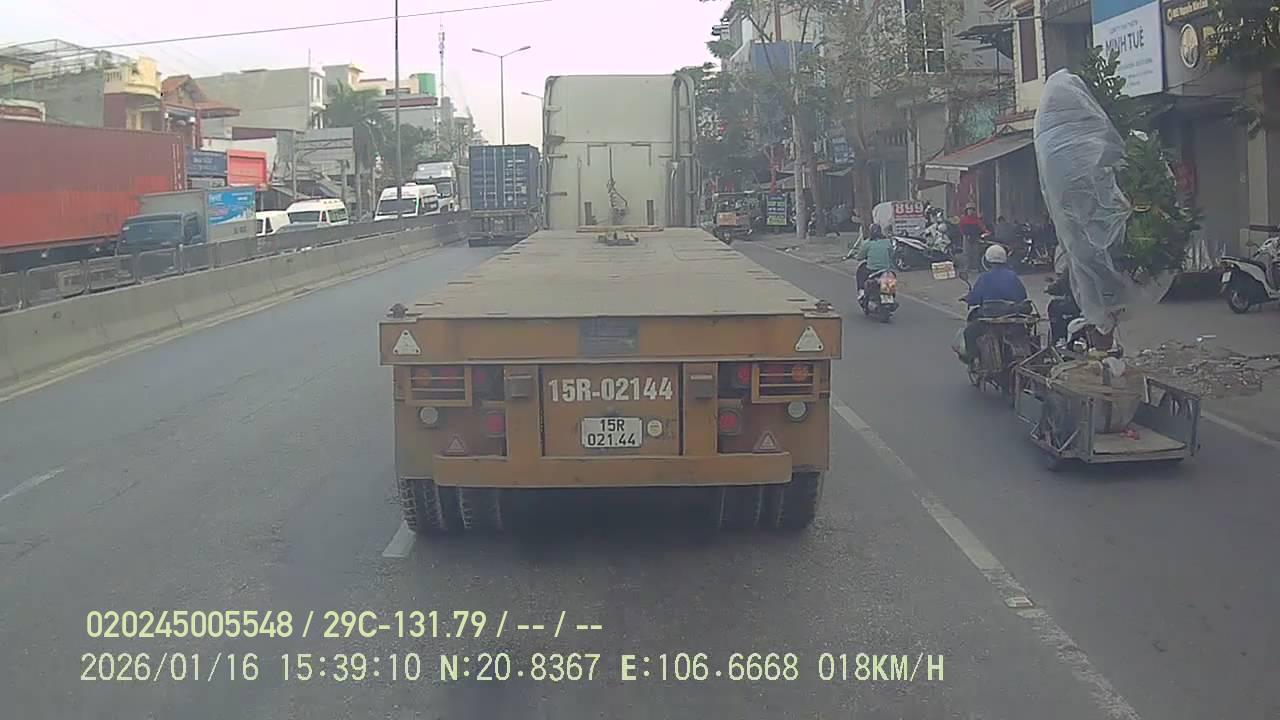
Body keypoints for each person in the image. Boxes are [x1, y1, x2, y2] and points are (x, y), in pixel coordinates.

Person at [959, 244, 1028, 363]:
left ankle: (973, 360)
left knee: (969, 332)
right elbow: (1022, 297)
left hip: (990, 319)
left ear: (987, 260)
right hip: (1012, 318)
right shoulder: (1013, 276)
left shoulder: (985, 277)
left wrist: (967, 298)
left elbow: (975, 298)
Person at [856, 223, 895, 300]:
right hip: (886, 270)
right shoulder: (887, 242)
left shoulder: (867, 243)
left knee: (860, 272)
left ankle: (861, 291)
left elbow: (859, 257)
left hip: (871, 270)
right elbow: (892, 254)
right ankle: (888, 296)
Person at [1046, 268, 1079, 345]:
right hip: (1100, 305)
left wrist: (1050, 288)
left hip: (1080, 305)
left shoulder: (1074, 265)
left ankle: (1058, 340)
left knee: (1053, 307)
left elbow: (1060, 285)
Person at [957, 206, 989, 270]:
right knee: (966, 253)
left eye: (971, 210)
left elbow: (982, 226)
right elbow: (960, 227)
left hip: (975, 237)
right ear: (966, 211)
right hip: (966, 237)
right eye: (969, 210)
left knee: (975, 253)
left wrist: (986, 231)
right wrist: (964, 234)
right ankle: (967, 267)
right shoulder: (963, 219)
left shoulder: (976, 219)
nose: (970, 211)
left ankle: (975, 267)